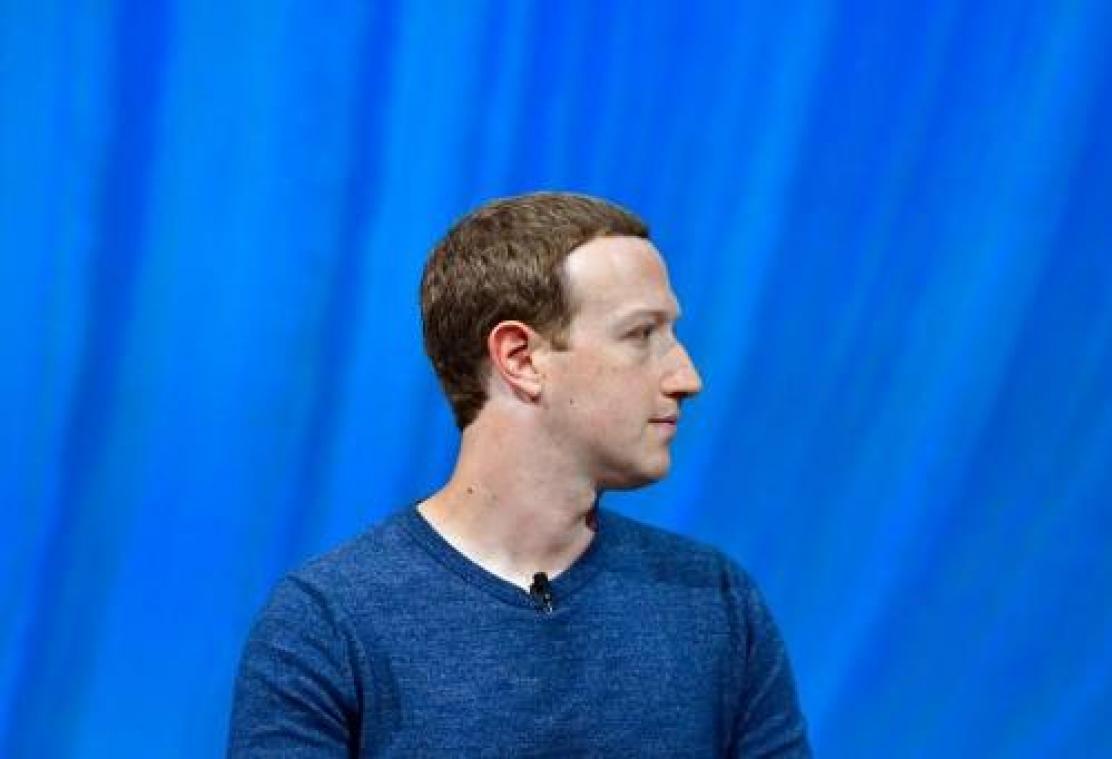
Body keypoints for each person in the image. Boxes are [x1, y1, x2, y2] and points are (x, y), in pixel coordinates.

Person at [227, 192, 811, 756]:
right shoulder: (328, 623)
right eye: (641, 335)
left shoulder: (715, 600)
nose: (687, 377)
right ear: (521, 359)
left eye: (672, 334)